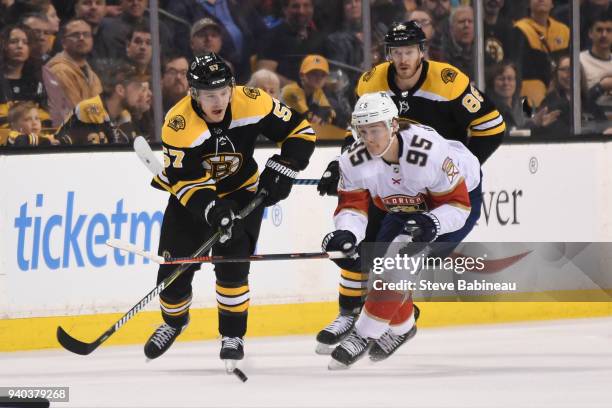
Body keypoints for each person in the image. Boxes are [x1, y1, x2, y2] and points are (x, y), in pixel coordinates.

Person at [315, 21, 504, 353]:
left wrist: (455, 172)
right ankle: (351, 313)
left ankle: (393, 322)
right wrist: (341, 165)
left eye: (409, 52)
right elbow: (357, 133)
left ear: (422, 52)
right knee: (363, 242)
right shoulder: (371, 82)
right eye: (396, 52)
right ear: (388, 54)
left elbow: (492, 127)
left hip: (434, 183)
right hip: (388, 175)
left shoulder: (449, 82)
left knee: (403, 255)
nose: (402, 59)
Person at [143, 53, 315, 368]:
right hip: (193, 200)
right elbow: (187, 186)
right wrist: (213, 210)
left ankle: (232, 335)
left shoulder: (254, 102)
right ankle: (174, 321)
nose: (218, 100)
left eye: (223, 92)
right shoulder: (179, 125)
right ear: (193, 92)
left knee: (233, 269)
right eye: (209, 95)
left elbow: (301, 133)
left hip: (241, 192)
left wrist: (286, 166)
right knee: (172, 271)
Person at [322, 91, 482, 368]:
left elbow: (457, 207)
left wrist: (432, 222)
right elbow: (353, 206)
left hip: (456, 200)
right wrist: (347, 233)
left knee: (398, 263)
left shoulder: (428, 155)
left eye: (375, 130)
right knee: (380, 272)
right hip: (404, 205)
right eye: (363, 131)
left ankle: (362, 335)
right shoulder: (352, 160)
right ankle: (402, 328)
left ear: (393, 125)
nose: (369, 139)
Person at [54, 61, 147, 145]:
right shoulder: (89, 110)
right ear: (120, 90)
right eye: (136, 87)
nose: (141, 94)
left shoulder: (125, 116)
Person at [43, 19, 103, 126]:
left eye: (86, 34)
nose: (81, 38)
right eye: (75, 35)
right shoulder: (59, 70)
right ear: (64, 42)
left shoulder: (90, 72)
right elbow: (75, 112)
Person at [510, 0, 570, 107]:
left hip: (560, 87)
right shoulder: (520, 29)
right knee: (528, 112)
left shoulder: (563, 30)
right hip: (529, 91)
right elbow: (519, 67)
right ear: (528, 3)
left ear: (552, 3)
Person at [281, 54, 336, 125]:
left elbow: (328, 111)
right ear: (302, 75)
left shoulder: (318, 91)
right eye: (314, 74)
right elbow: (306, 115)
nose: (319, 78)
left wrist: (328, 115)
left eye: (322, 75)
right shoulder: (292, 90)